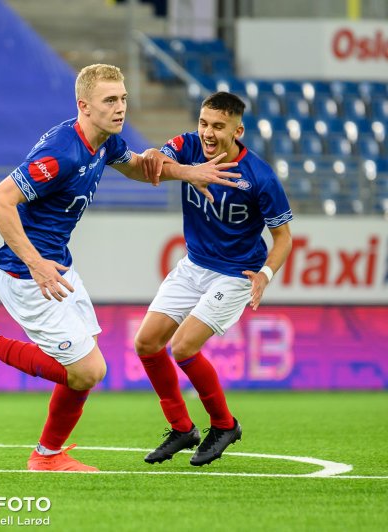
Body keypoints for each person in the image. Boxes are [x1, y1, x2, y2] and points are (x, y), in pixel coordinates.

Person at [0, 64, 241, 471]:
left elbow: (140, 167)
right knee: (89, 371)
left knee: (82, 367)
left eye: (123, 98)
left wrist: (189, 172)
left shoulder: (104, 142)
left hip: (60, 269)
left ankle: (47, 456)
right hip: (27, 275)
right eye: (110, 100)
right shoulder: (61, 153)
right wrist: (35, 265)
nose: (120, 107)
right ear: (84, 106)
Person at [135, 91, 293, 466]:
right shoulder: (188, 146)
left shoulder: (259, 177)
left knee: (184, 347)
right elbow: (154, 159)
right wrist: (172, 164)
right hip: (194, 265)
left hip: (236, 274)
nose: (207, 132)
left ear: (238, 130)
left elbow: (283, 237)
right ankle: (182, 428)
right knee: (146, 344)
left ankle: (224, 425)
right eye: (204, 123)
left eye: (217, 126)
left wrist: (266, 274)